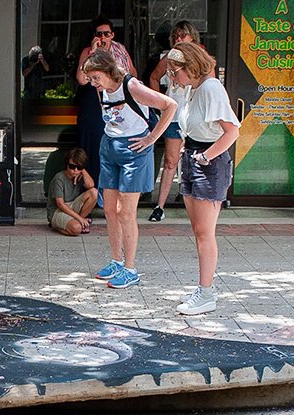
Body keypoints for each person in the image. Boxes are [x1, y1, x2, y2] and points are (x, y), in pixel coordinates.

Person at [83, 50, 177, 289]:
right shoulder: (100, 88)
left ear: (107, 71)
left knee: (126, 212)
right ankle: (116, 260)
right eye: (91, 79)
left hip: (134, 150)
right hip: (110, 147)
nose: (93, 83)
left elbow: (170, 105)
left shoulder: (132, 86)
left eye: (95, 77)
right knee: (110, 210)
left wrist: (152, 138)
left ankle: (130, 267)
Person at [164, 43, 239, 315]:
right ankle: (203, 288)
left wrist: (206, 157)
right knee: (198, 231)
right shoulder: (193, 89)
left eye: (176, 71)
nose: (173, 77)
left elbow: (231, 132)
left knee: (205, 232)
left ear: (191, 66)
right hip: (193, 155)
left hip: (207, 160)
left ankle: (207, 293)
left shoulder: (210, 88)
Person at [146, 21, 200, 222]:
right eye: (175, 36)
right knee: (170, 161)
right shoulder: (169, 57)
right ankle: (160, 205)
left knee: (193, 160)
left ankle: (193, 202)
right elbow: (153, 77)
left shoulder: (200, 57)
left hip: (195, 117)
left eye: (182, 36)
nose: (178, 39)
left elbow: (209, 81)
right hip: (174, 117)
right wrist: (161, 104)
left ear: (192, 38)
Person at [75, 17, 136, 187]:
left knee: (116, 145)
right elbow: (81, 79)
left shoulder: (120, 49)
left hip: (118, 102)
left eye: (106, 34)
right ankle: (93, 189)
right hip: (94, 103)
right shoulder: (88, 51)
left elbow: (132, 72)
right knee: (95, 144)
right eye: (99, 34)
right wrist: (93, 52)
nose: (103, 37)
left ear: (112, 35)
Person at [49, 148, 98, 236]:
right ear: (67, 164)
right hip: (58, 211)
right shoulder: (59, 178)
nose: (75, 170)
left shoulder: (79, 174)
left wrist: (82, 171)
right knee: (76, 229)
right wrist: (79, 218)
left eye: (78, 167)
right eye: (72, 166)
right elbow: (60, 204)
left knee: (94, 192)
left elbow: (91, 186)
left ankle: (79, 222)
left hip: (72, 206)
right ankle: (56, 226)